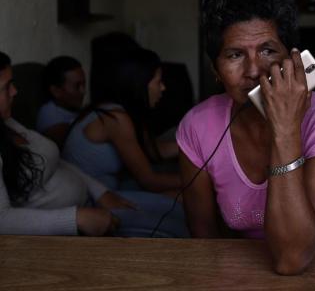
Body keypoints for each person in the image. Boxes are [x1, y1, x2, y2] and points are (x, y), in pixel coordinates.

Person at [176, 0, 315, 275]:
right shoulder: (197, 126)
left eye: (268, 51)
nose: (254, 70)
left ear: (292, 59)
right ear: (215, 70)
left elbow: (292, 258)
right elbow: (204, 235)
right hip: (253, 273)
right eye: (234, 55)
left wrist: (284, 129)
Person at [0, 51, 188, 237]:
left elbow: (57, 160)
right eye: (7, 86)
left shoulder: (9, 123)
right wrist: (75, 219)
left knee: (181, 210)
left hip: (93, 197)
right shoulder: (114, 117)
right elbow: (3, 219)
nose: (15, 91)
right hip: (80, 215)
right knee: (179, 221)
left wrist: (100, 192)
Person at [62, 47, 181, 194]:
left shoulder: (127, 111)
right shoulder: (116, 118)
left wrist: (199, 148)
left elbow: (152, 150)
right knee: (187, 198)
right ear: (140, 84)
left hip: (113, 187)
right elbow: (150, 181)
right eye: (158, 82)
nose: (163, 88)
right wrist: (204, 179)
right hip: (95, 198)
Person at [36, 56, 85, 148]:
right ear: (56, 91)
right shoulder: (49, 115)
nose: (83, 91)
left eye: (84, 84)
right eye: (77, 86)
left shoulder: (74, 109)